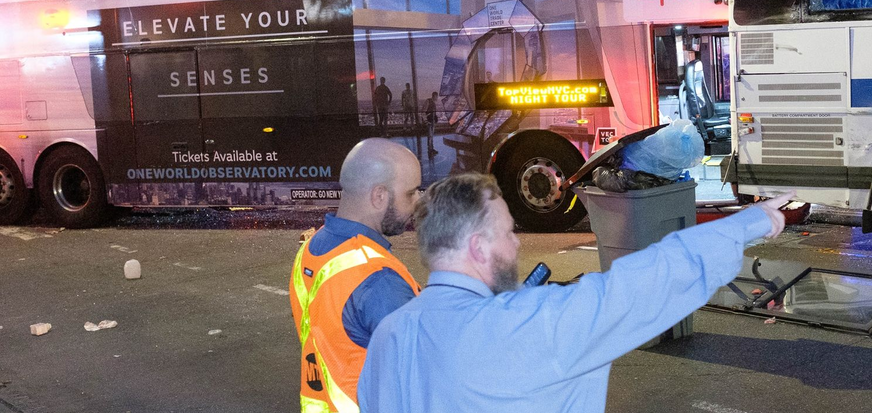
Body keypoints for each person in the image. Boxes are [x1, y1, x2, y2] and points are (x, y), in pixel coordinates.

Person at [358, 173, 792, 413]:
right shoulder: (528, 325)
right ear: (478, 247)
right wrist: (750, 222)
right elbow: (646, 283)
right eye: (510, 232)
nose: (517, 243)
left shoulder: (389, 336)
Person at [289, 139, 424, 413]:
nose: (419, 201)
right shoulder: (378, 279)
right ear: (379, 196)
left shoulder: (313, 250)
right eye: (411, 193)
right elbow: (427, 371)